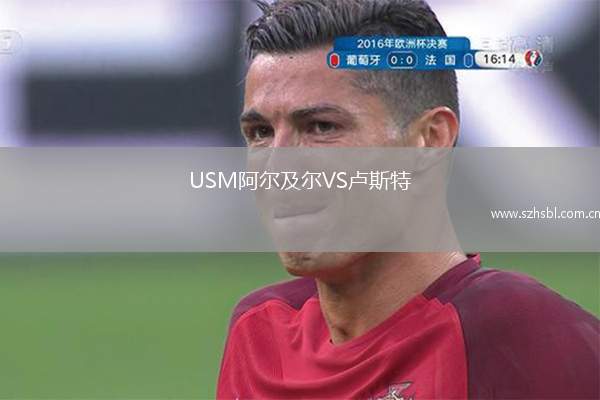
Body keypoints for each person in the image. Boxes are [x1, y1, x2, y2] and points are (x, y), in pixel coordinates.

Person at [217, 0, 600, 398]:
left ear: (430, 140)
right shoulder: (260, 332)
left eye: (321, 127)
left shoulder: (520, 336)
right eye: (260, 133)